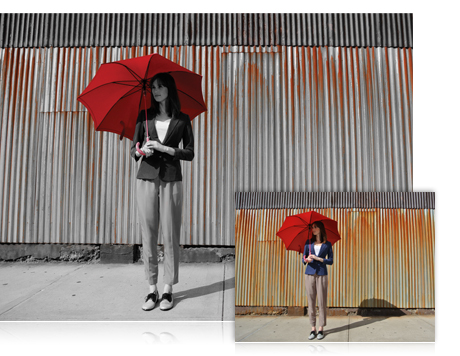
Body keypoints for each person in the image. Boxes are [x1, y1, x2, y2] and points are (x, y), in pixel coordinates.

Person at [131, 72, 194, 311]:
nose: (156, 91)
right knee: (148, 233)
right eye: (153, 88)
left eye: (160, 87)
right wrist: (141, 151)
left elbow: (189, 152)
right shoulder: (143, 117)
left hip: (171, 178)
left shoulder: (183, 119)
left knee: (170, 234)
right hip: (146, 177)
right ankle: (151, 289)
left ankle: (168, 289)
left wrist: (164, 148)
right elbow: (133, 149)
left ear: (169, 89)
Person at [303, 221, 333, 340]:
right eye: (312, 227)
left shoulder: (327, 244)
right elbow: (303, 258)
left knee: (321, 301)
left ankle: (321, 328)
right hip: (309, 273)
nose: (313, 229)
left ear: (320, 229)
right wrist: (307, 259)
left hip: (322, 274)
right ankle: (312, 328)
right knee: (311, 301)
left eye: (315, 227)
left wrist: (319, 258)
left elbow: (330, 261)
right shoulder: (308, 243)